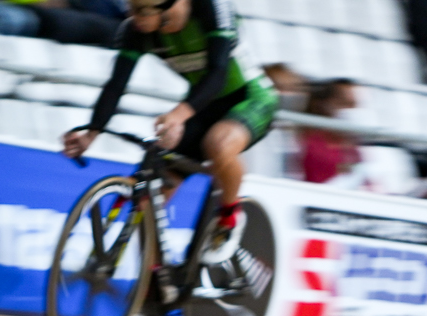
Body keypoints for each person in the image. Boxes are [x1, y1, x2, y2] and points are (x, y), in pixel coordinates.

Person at [61, 0, 280, 257]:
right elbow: (115, 85)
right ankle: (155, 280)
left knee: (217, 144)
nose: (134, 18)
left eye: (142, 11)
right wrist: (92, 133)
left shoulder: (210, 9)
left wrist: (178, 115)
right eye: (131, 9)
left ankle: (229, 217)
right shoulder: (136, 31)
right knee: (151, 192)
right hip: (203, 104)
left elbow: (218, 73)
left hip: (251, 97)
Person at [298, 78, 360, 185]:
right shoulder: (311, 144)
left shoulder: (351, 144)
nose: (350, 110)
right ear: (325, 104)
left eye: (354, 104)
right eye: (344, 103)